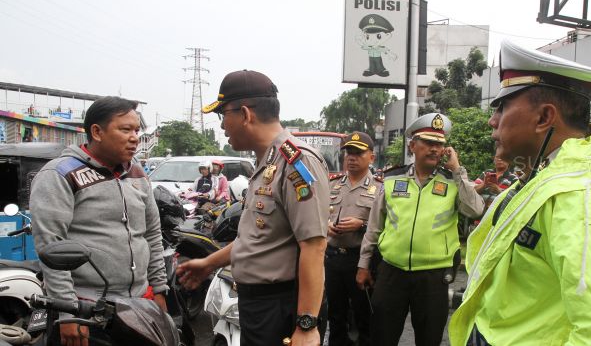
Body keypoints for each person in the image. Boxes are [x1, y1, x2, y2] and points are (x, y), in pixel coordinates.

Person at [448, 40, 591, 345]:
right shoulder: (538, 182)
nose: (492, 121)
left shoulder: (586, 200)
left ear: (544, 117)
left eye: (502, 107)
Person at [176, 70, 329, 346]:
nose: (222, 126)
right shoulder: (266, 163)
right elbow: (257, 239)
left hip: (282, 307)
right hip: (257, 305)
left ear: (245, 114)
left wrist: (306, 325)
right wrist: (208, 263)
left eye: (223, 115)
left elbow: (314, 246)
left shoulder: (296, 162)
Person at [30, 96, 168, 346]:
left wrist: (159, 289)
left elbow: (151, 234)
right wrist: (68, 312)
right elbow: (51, 245)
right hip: (86, 310)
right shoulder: (60, 174)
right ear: (97, 131)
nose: (135, 137)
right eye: (125, 129)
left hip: (138, 306)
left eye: (137, 130)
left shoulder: (136, 173)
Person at [356, 113, 484, 346]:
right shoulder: (392, 179)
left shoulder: (453, 181)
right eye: (429, 143)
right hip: (391, 272)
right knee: (382, 337)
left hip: (433, 278)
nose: (435, 149)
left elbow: (475, 210)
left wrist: (458, 170)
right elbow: (375, 226)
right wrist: (363, 265)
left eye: (440, 144)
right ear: (412, 146)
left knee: (429, 339)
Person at [325, 131, 382, 346]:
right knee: (335, 317)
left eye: (358, 153)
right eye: (348, 152)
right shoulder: (333, 185)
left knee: (364, 318)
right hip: (332, 259)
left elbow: (385, 227)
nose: (351, 157)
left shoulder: (380, 188)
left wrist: (362, 225)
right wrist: (327, 226)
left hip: (361, 260)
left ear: (371, 158)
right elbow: (319, 215)